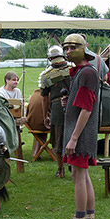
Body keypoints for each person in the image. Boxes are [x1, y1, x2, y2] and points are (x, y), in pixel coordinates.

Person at [54, 33, 101, 219]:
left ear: (84, 48)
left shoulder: (87, 73)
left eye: (73, 47)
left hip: (81, 133)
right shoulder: (81, 72)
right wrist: (68, 104)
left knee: (78, 175)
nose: (68, 51)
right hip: (81, 131)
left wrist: (73, 138)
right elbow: (80, 104)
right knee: (82, 174)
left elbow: (87, 109)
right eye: (66, 48)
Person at [39, 46, 70, 177]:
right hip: (75, 105)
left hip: (57, 108)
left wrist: (45, 115)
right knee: (74, 135)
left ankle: (60, 169)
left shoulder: (46, 75)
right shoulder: (74, 68)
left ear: (50, 57)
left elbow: (45, 98)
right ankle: (73, 166)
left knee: (58, 139)